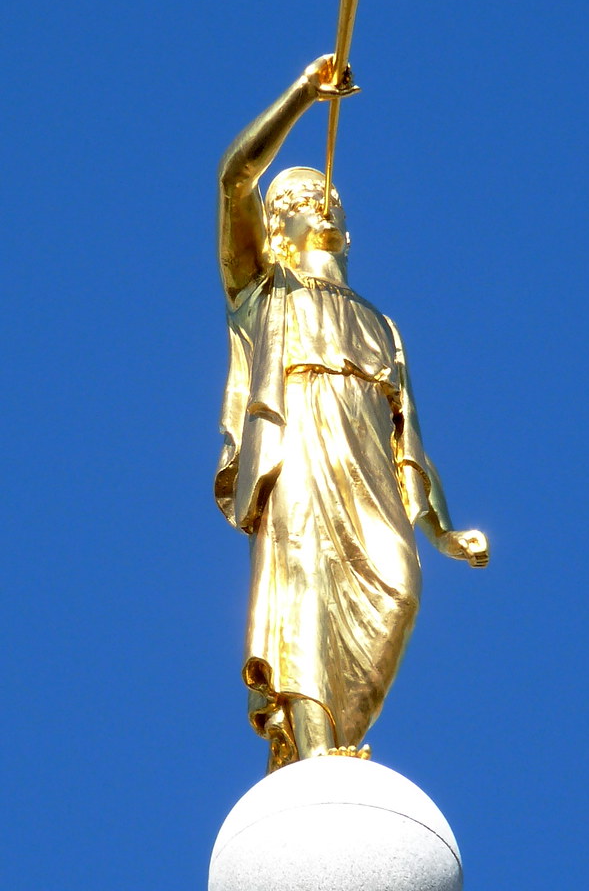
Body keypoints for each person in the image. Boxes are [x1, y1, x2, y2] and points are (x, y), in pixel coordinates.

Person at [214, 55, 489, 771]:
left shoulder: (382, 325)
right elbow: (234, 176)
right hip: (299, 435)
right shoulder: (263, 292)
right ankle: (317, 751)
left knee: (398, 585)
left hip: (363, 451)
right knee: (303, 577)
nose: (323, 202)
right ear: (277, 225)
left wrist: (440, 527)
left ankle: (334, 737)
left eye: (329, 195)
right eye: (303, 197)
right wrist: (306, 93)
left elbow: (409, 441)